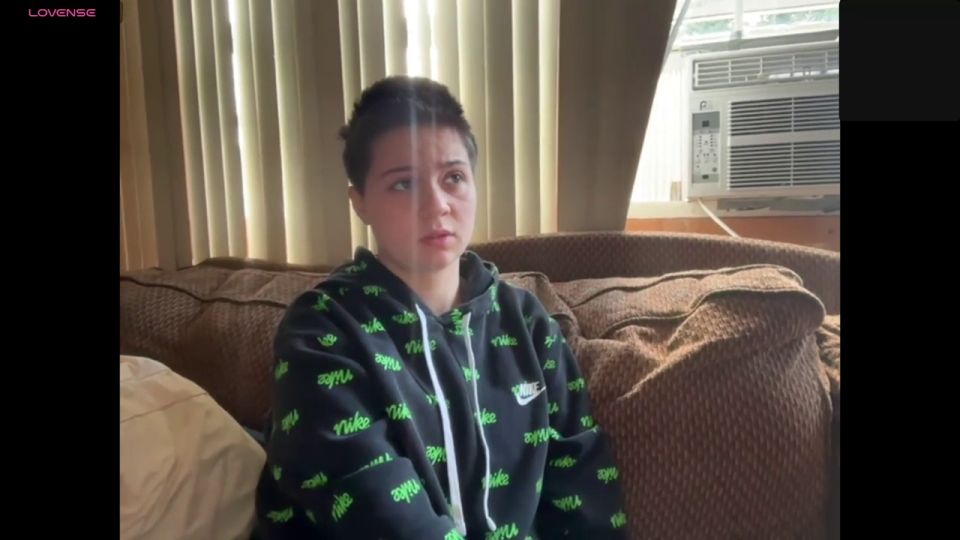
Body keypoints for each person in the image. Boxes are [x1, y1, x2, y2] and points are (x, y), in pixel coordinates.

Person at [255, 76, 627, 539]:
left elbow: (585, 488)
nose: (437, 207)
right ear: (360, 202)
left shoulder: (528, 324)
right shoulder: (322, 331)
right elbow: (374, 510)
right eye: (403, 184)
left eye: (453, 178)